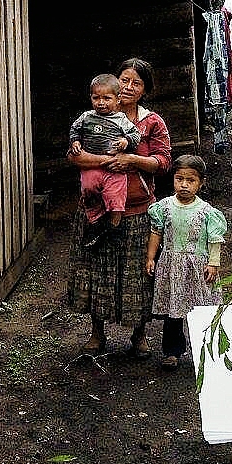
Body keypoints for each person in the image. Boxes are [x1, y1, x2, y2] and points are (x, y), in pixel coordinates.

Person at [67, 57, 172, 356]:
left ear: (144, 90)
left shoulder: (151, 122)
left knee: (138, 276)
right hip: (95, 209)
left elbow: (163, 163)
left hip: (138, 212)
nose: (128, 86)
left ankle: (138, 336)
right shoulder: (92, 117)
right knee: (95, 270)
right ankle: (96, 334)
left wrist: (133, 160)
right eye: (124, 79)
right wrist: (108, 162)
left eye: (136, 83)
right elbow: (75, 157)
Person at [145, 154, 226, 369]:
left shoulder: (208, 212)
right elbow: (156, 232)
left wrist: (214, 263)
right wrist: (151, 257)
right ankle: (172, 352)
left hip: (198, 268)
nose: (184, 185)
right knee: (174, 310)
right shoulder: (164, 207)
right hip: (172, 267)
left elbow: (214, 240)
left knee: (203, 308)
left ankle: (208, 349)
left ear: (201, 183)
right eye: (179, 179)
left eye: (190, 181)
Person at [68, 73, 142, 246]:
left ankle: (114, 226)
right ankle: (95, 223)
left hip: (115, 169)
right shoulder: (86, 117)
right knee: (88, 189)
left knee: (116, 198)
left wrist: (126, 141)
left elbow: (135, 135)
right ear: (91, 98)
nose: (101, 103)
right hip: (91, 168)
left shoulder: (121, 119)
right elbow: (74, 129)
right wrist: (75, 141)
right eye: (96, 98)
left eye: (106, 98)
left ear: (117, 99)